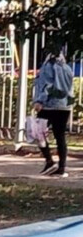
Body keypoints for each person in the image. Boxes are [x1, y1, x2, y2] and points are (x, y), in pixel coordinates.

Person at [33, 43, 75, 177]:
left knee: (37, 132)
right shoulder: (67, 68)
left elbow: (47, 85)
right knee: (60, 136)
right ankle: (61, 167)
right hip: (64, 106)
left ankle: (49, 161)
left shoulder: (48, 67)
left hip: (49, 105)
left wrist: (40, 100)